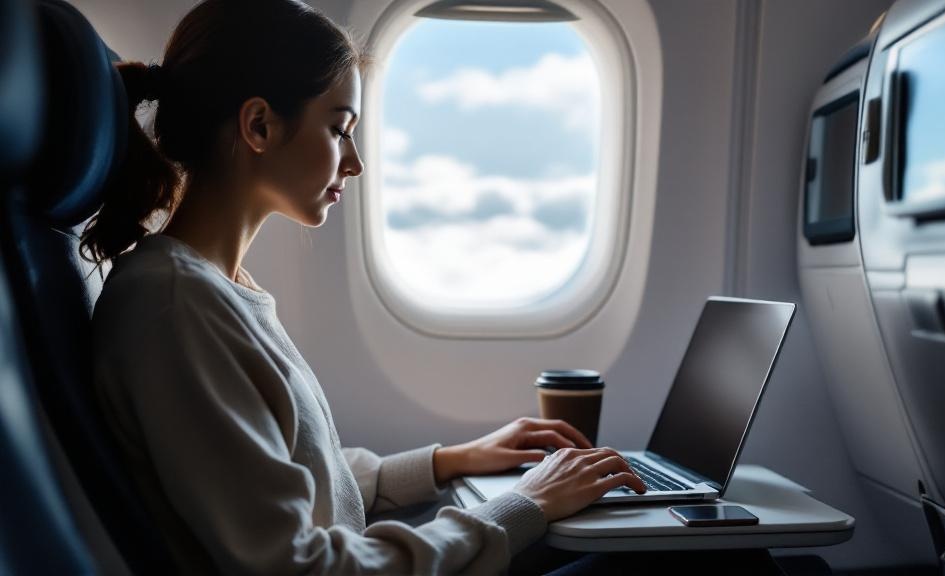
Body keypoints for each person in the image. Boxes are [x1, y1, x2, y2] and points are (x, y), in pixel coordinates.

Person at [85, 0, 646, 573]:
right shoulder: (177, 308)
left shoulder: (215, 290)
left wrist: (452, 461)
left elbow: (293, 476)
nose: (354, 162)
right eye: (339, 129)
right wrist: (524, 505)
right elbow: (299, 564)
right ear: (259, 125)